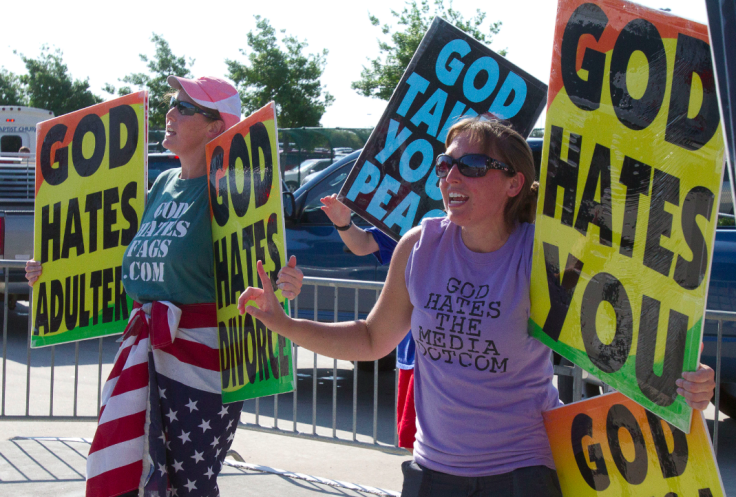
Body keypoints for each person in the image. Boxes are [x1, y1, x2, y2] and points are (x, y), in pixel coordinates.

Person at [237, 116, 716, 497]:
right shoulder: (419, 244)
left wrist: (688, 377)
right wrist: (285, 323)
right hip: (433, 473)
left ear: (513, 183)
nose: (451, 176)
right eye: (446, 165)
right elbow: (370, 338)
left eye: (472, 166)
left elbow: (630, 337)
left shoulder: (544, 255)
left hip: (523, 474)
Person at [26, 75, 304, 497]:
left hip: (204, 366)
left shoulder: (231, 189)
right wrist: (51, 273)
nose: (170, 114)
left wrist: (286, 284)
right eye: (173, 103)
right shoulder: (162, 185)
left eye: (185, 107)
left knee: (187, 487)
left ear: (216, 127)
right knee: (135, 479)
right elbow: (133, 267)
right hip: (147, 352)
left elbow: (260, 274)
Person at [320, 194, 417, 452]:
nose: (451, 176)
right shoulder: (417, 221)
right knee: (418, 450)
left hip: (464, 368)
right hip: (415, 358)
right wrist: (344, 224)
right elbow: (363, 243)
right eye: (444, 166)